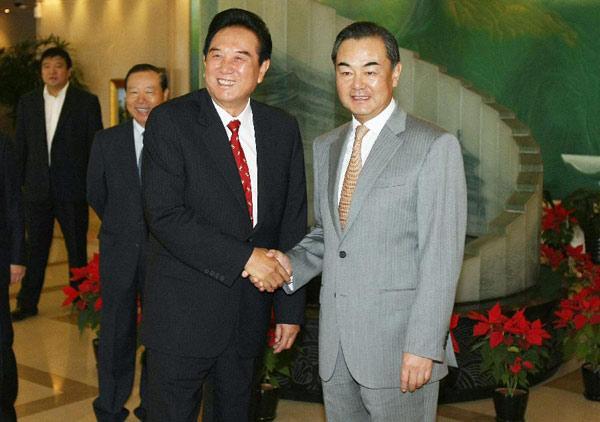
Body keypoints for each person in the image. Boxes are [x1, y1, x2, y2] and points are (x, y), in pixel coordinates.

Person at [261, 22, 467, 421]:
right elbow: (330, 235)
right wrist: (285, 266)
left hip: (400, 350)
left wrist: (424, 346)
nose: (358, 83)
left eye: (370, 70)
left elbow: (441, 256)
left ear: (396, 73)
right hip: (336, 349)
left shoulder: (433, 146)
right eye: (345, 70)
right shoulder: (327, 146)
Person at [141, 8, 307, 422]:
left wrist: (288, 308)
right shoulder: (170, 121)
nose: (226, 68)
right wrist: (246, 259)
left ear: (263, 68)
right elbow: (165, 216)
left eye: (240, 57)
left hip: (247, 318)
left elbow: (291, 221)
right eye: (216, 56)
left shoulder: (281, 129)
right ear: (203, 63)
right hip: (182, 317)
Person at [87, 64, 169, 422]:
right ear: (125, 99)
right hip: (119, 250)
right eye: (133, 92)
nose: (141, 99)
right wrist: (126, 226)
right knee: (116, 332)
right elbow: (95, 193)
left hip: (163, 254)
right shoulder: (106, 141)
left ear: (165, 95)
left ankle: (152, 406)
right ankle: (109, 405)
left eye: (149, 91)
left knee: (159, 333)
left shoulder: (176, 140)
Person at [12, 47, 103, 321]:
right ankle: (27, 304)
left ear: (69, 71)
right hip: (37, 190)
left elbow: (94, 146)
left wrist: (92, 185)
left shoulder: (85, 102)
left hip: (72, 190)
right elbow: (21, 147)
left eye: (58, 66)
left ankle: (80, 302)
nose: (52, 71)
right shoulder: (27, 103)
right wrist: (19, 186)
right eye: (47, 66)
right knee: (35, 249)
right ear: (41, 72)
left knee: (76, 249)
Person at [0, 132, 26, 421]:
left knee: (1, 339)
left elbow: (12, 202)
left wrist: (17, 257)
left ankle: (5, 407)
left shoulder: (3, 144)